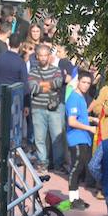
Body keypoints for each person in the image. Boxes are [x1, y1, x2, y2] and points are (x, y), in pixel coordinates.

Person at [28, 41, 66, 170]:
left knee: (57, 138)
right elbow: (32, 88)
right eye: (41, 55)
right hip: (38, 109)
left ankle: (58, 164)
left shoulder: (56, 70)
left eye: (45, 55)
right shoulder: (32, 71)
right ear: (37, 56)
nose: (43, 58)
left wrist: (42, 84)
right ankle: (42, 163)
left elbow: (58, 83)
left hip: (54, 109)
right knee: (40, 138)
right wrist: (48, 85)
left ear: (49, 56)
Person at [63, 72, 97, 209]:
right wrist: (90, 128)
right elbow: (72, 121)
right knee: (76, 167)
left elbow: (81, 116)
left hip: (83, 137)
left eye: (88, 83)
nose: (86, 85)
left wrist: (93, 119)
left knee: (80, 166)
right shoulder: (73, 98)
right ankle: (72, 199)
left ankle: (75, 197)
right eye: (83, 82)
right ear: (78, 81)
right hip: (76, 137)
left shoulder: (81, 97)